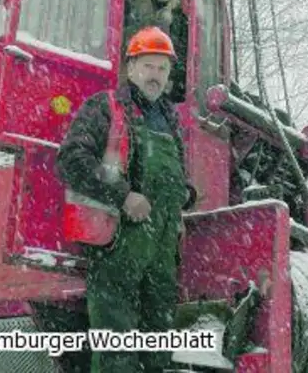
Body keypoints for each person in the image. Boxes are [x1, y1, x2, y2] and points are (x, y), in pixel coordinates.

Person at [56, 26, 198, 373]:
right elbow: (71, 160)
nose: (156, 76)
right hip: (118, 245)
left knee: (158, 349)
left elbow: (167, 177)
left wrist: (186, 194)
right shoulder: (106, 107)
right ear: (131, 68)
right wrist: (122, 195)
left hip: (162, 250)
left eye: (163, 69)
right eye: (149, 66)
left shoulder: (171, 120)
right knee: (116, 346)